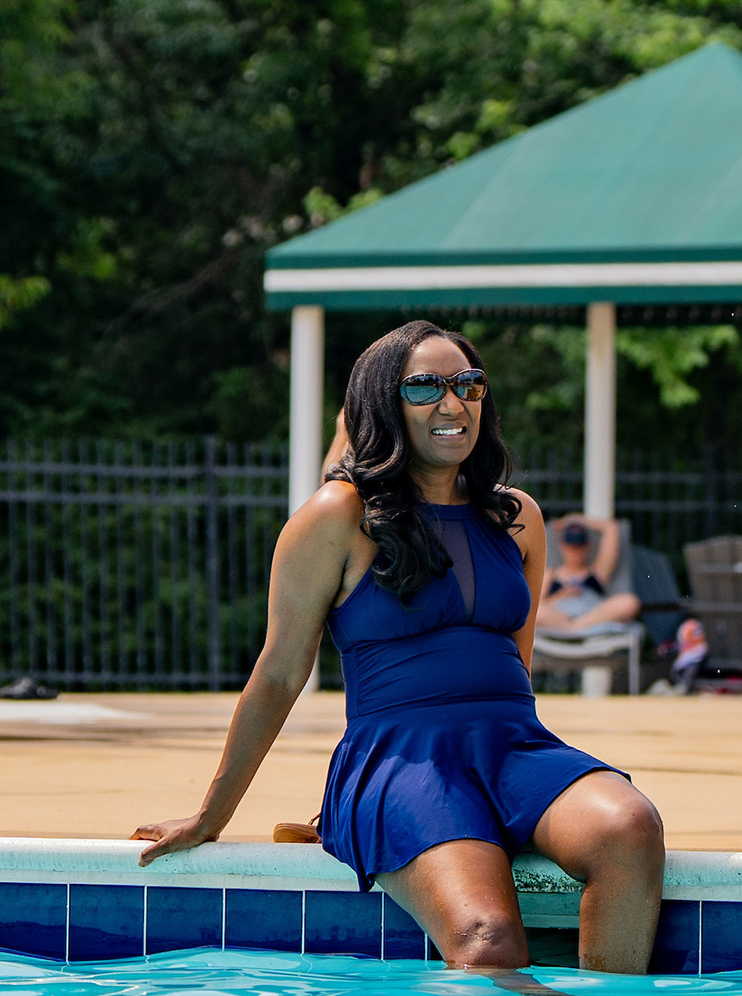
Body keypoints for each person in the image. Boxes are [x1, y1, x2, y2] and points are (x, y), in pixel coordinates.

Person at [132, 321, 664, 973]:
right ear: (384, 404)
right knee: (487, 940)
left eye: (468, 384)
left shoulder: (517, 516)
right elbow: (278, 675)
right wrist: (211, 815)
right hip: (399, 762)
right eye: (425, 387)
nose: (453, 402)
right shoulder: (336, 515)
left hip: (512, 746)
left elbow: (516, 662)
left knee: (629, 829)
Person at [539, 516, 642, 636]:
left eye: (579, 546)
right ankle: (574, 628)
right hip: (559, 617)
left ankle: (576, 627)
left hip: (592, 615)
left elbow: (611, 527)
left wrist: (572, 520)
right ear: (562, 545)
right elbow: (537, 605)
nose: (575, 551)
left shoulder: (597, 571)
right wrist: (561, 595)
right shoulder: (551, 574)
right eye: (571, 546)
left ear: (587, 546)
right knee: (534, 611)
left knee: (630, 602)